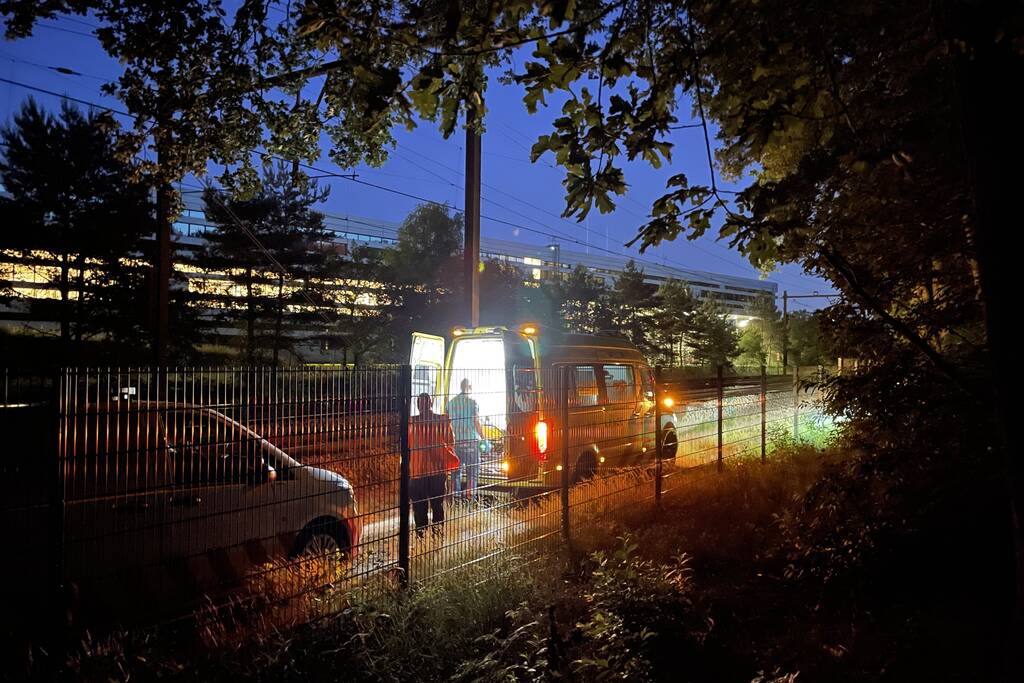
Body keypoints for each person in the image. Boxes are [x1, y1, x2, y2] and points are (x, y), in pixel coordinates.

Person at [409, 393, 456, 539]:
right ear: (431, 404)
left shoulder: (411, 423)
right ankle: (438, 536)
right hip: (437, 470)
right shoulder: (442, 421)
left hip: (417, 472)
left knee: (419, 508)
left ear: (418, 405)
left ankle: (421, 537)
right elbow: (451, 443)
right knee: (437, 505)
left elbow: (406, 447)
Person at [447, 377, 484, 500]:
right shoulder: (473, 402)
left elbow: (447, 423)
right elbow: (476, 421)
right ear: (469, 387)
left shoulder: (451, 403)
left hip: (456, 442)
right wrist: (483, 438)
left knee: (455, 472)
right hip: (471, 441)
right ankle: (469, 498)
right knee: (472, 472)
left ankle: (455, 498)